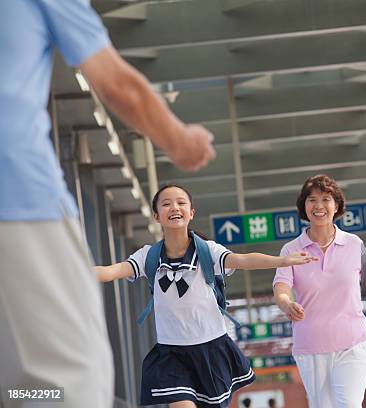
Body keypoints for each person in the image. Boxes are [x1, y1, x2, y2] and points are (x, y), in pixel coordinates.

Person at [0, 1, 215, 407]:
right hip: (18, 201)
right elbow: (118, 84)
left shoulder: (204, 253)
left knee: (18, 381)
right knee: (71, 379)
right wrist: (182, 143)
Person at [96, 185, 317, 408]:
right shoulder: (148, 256)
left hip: (211, 349)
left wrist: (282, 261)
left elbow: (242, 260)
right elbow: (110, 271)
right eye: (166, 204)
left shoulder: (207, 252)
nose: (174, 207)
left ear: (191, 212)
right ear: (156, 216)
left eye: (181, 203)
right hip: (172, 353)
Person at [273, 174, 366, 408]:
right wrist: (286, 303)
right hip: (311, 346)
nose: (318, 206)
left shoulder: (354, 244)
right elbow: (281, 287)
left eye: (325, 199)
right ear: (304, 206)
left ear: (337, 206)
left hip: (352, 342)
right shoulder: (291, 249)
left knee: (349, 404)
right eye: (311, 200)